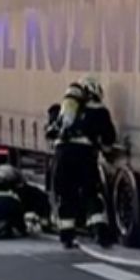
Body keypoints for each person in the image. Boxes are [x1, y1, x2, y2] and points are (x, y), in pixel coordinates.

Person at [51, 74, 117, 249]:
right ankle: (101, 234)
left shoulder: (65, 111)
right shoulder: (100, 111)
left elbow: (52, 131)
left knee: (66, 196)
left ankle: (67, 237)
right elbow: (109, 139)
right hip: (84, 156)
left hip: (62, 154)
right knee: (91, 193)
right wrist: (106, 150)